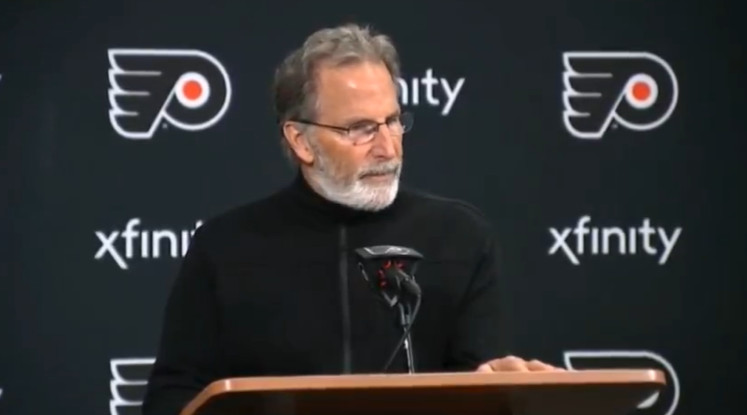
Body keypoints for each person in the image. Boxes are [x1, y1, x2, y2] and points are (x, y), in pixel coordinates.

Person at [141, 23, 559, 415]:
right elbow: (172, 398)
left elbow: (480, 380)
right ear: (301, 141)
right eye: (360, 129)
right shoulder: (225, 248)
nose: (388, 148)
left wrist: (496, 388)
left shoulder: (460, 237)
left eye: (393, 121)